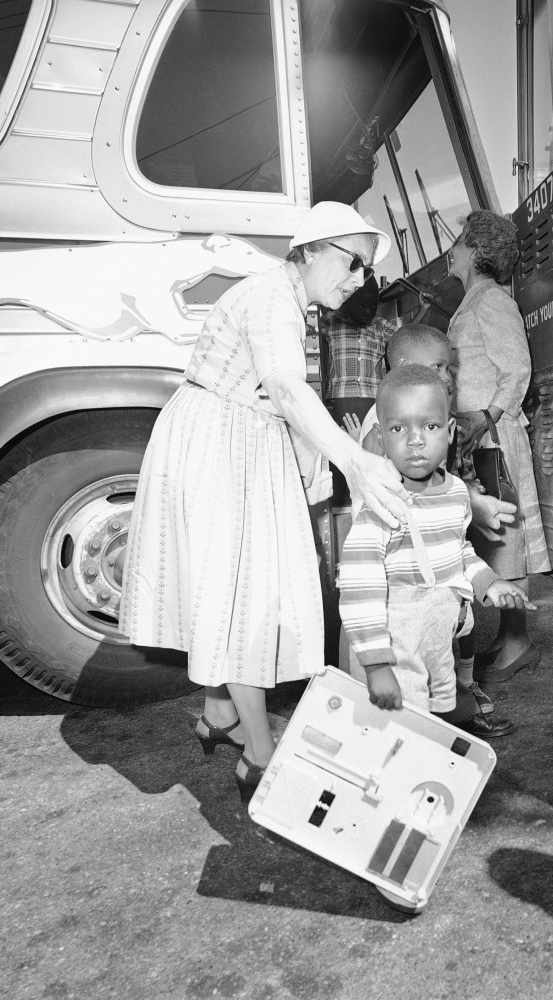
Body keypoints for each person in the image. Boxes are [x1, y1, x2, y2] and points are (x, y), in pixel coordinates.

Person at [118, 202, 410, 804]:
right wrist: (354, 460)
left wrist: (311, 459)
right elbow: (282, 385)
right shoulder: (272, 297)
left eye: (367, 271)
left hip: (238, 437)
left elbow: (280, 398)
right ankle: (258, 753)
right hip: (222, 440)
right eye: (352, 261)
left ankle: (219, 710)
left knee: (242, 587)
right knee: (246, 595)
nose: (359, 278)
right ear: (309, 248)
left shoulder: (291, 302)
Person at [338, 364, 534, 717]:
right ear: (380, 438)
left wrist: (488, 581)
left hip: (438, 639)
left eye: (429, 426)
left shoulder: (457, 491)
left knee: (436, 720)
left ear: (450, 431)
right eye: (399, 428)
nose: (416, 440)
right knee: (400, 728)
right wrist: (376, 665)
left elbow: (457, 549)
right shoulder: (381, 501)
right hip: (393, 643)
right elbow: (358, 588)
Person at [447, 210, 551, 685]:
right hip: (475, 438)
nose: (451, 250)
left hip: (494, 438)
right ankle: (508, 636)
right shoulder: (474, 300)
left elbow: (518, 369)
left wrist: (485, 416)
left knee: (507, 538)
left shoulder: (491, 300)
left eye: (458, 242)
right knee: (489, 537)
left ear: (475, 250)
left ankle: (518, 642)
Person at [319, 275, 397, 504]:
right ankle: (344, 501)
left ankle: (378, 498)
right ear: (345, 302)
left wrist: (421, 310)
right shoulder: (330, 323)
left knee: (374, 451)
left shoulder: (380, 326)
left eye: (373, 305)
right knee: (345, 453)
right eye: (361, 305)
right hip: (343, 399)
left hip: (375, 400)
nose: (367, 311)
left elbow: (405, 339)